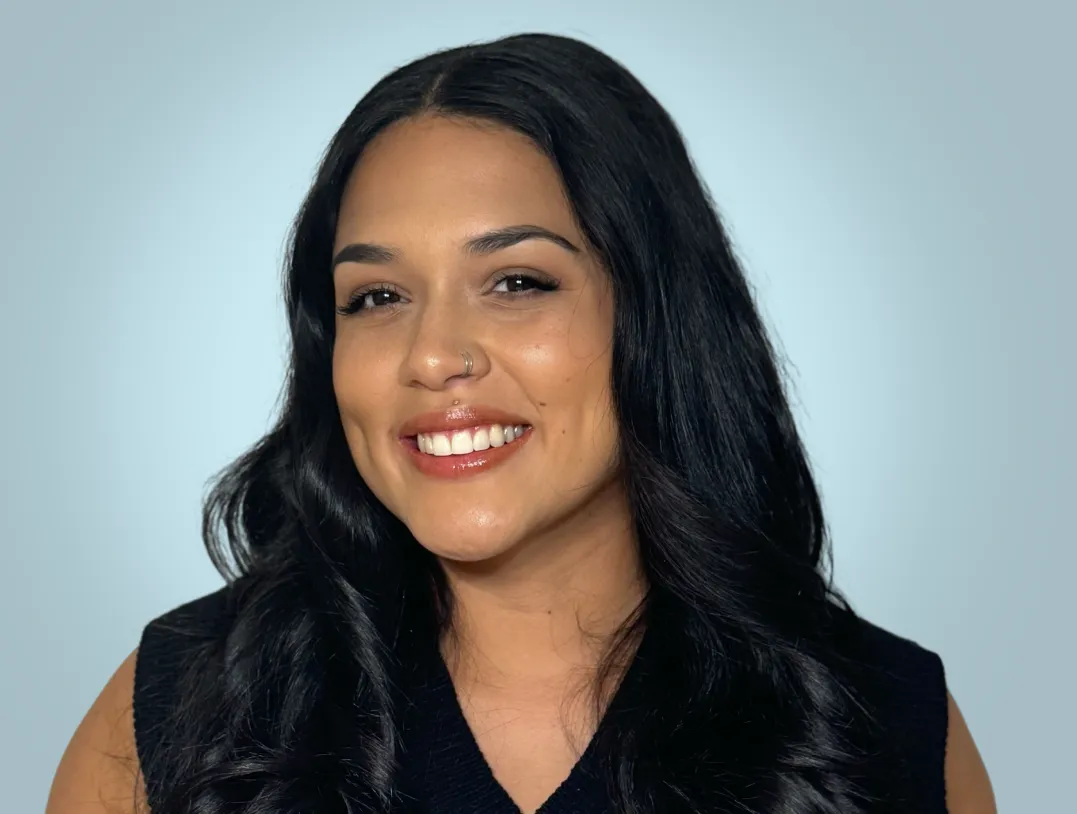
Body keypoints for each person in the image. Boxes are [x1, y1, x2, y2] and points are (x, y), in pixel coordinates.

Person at [46, 33, 995, 814]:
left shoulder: (878, 722)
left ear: (654, 319)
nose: (432, 355)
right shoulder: (177, 714)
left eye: (516, 282)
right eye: (376, 296)